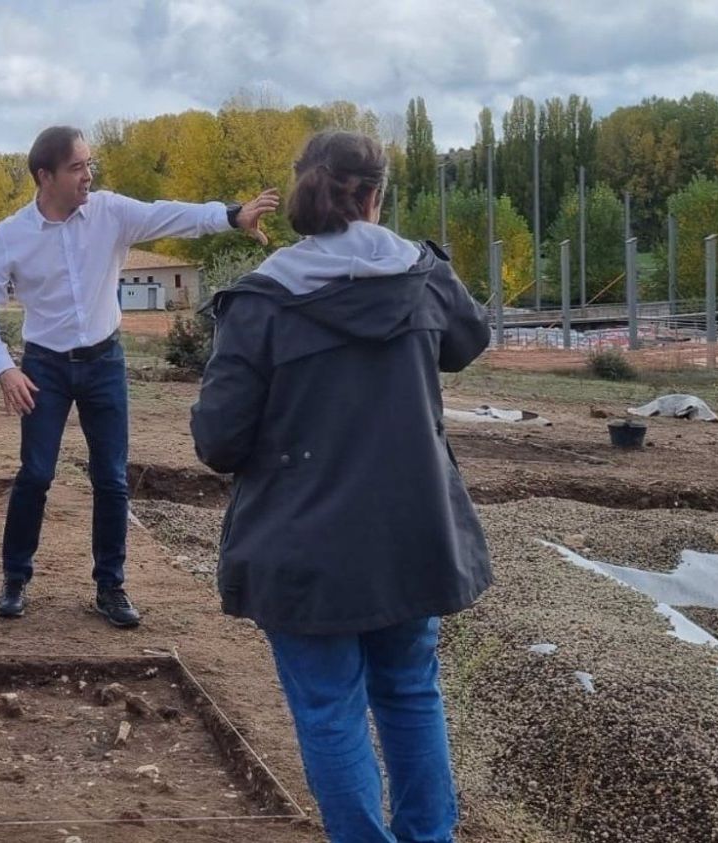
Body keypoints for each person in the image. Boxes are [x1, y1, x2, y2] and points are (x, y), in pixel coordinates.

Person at [190, 130, 492, 842]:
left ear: (302, 189)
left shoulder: (263, 301)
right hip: (411, 534)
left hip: (306, 550)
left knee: (330, 709)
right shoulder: (421, 274)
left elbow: (219, 441)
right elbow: (467, 342)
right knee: (411, 693)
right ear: (376, 196)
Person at [0, 124, 278, 628]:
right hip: (44, 367)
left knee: (112, 478)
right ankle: (15, 577)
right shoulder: (10, 236)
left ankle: (110, 585)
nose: (88, 175)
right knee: (36, 474)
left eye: (90, 165)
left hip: (104, 363)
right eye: (77, 167)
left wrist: (231, 215)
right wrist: (4, 368)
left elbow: (168, 213)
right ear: (44, 176)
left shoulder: (110, 212)